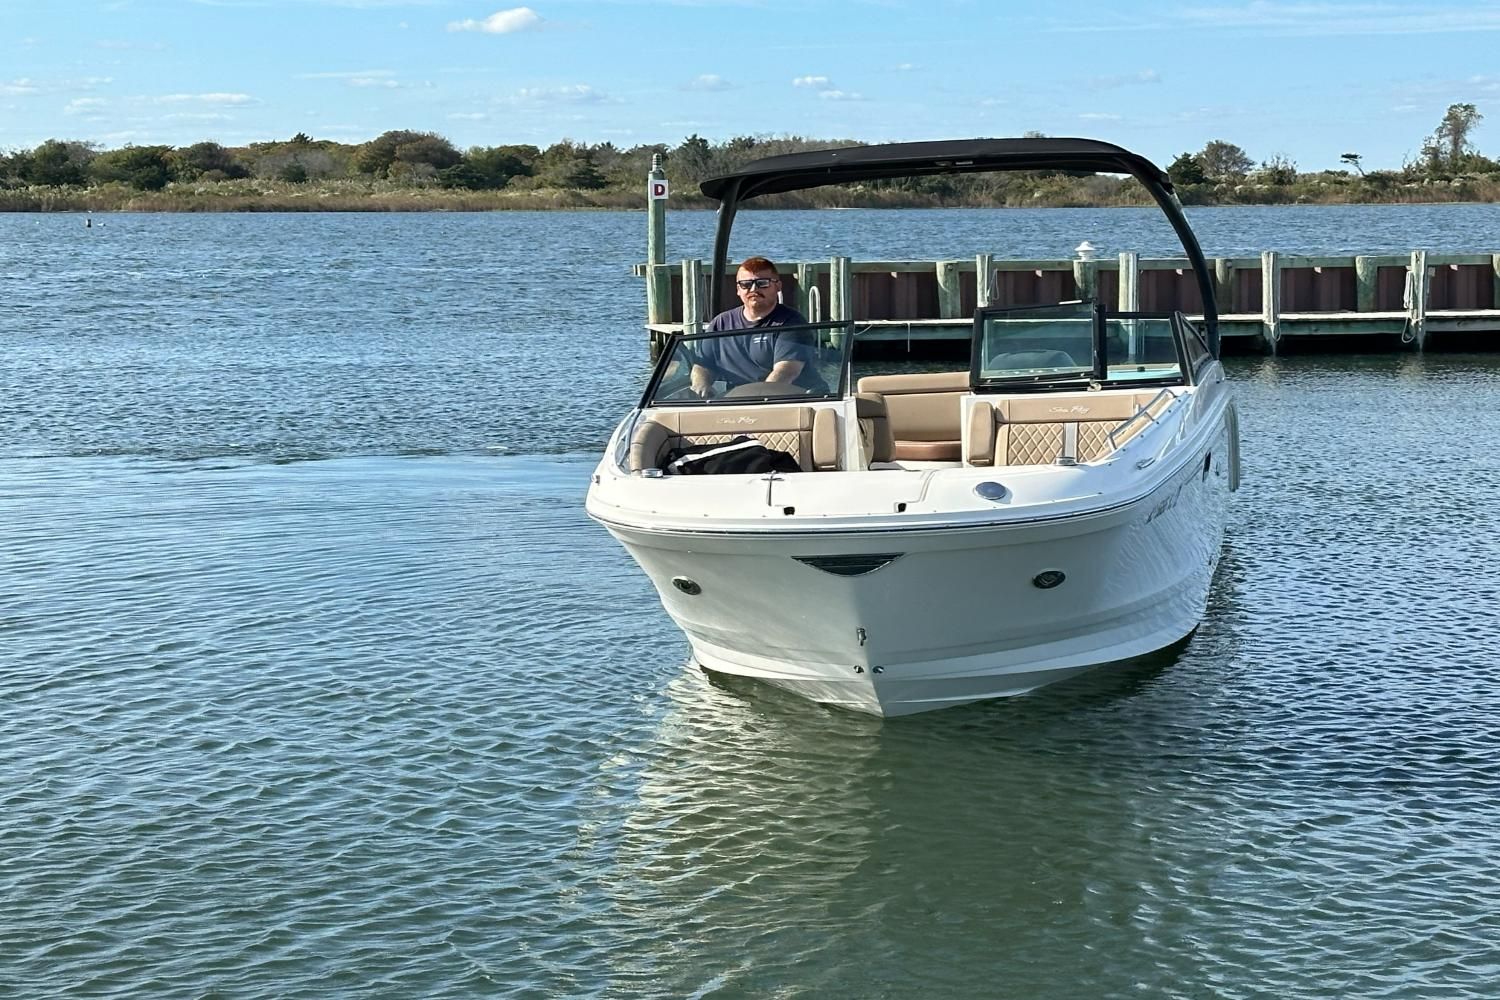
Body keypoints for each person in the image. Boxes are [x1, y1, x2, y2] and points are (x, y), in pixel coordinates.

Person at [688, 257, 828, 396]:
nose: (754, 289)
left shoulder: (792, 322)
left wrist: (758, 399)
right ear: (738, 289)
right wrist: (701, 385)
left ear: (778, 286)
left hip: (796, 399)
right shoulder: (721, 323)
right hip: (739, 401)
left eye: (762, 283)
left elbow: (785, 372)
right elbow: (703, 365)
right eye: (746, 284)